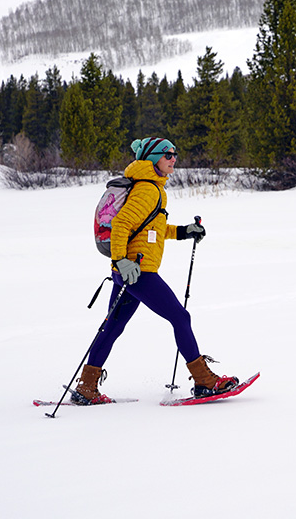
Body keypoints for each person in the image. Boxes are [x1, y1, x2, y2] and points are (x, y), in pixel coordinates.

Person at [74, 136, 239, 404]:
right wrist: (121, 261)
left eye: (175, 153)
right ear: (153, 158)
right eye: (167, 154)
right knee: (180, 317)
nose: (174, 158)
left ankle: (86, 387)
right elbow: (122, 225)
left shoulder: (152, 187)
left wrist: (184, 232)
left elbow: (152, 228)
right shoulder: (148, 189)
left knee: (113, 327)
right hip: (138, 271)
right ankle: (204, 381)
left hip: (129, 271)